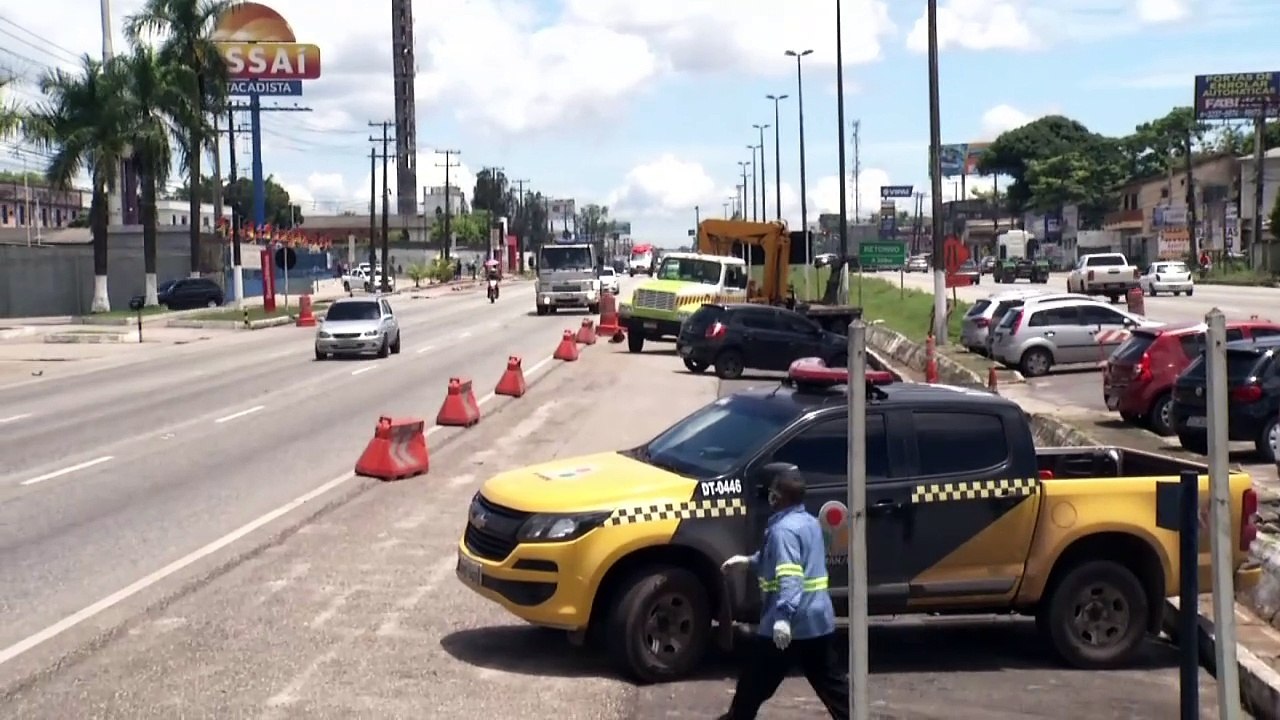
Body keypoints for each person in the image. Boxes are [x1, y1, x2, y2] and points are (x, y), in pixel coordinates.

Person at [720, 464, 849, 720]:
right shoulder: (809, 523)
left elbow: (790, 575)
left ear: (780, 497)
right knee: (834, 688)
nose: (770, 496)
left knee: (752, 686)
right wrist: (750, 561)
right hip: (817, 623)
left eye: (773, 492)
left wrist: (783, 619)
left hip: (787, 626)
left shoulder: (783, 531)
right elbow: (789, 561)